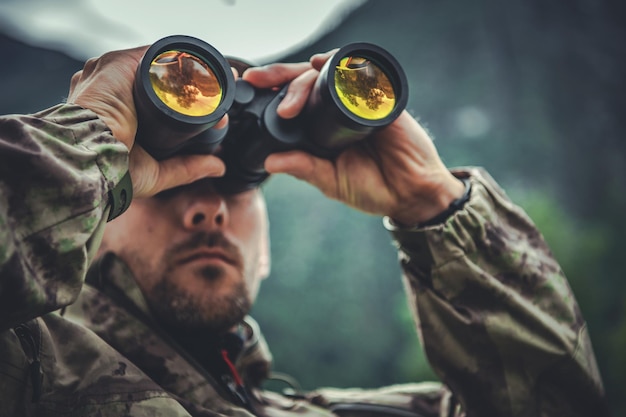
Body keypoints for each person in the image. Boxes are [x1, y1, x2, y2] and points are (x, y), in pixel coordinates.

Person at [0, 41, 610, 417]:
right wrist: (96, 132)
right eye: (173, 185)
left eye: (239, 187)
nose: (207, 211)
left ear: (266, 250)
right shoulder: (28, 373)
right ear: (96, 215)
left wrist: (434, 204)